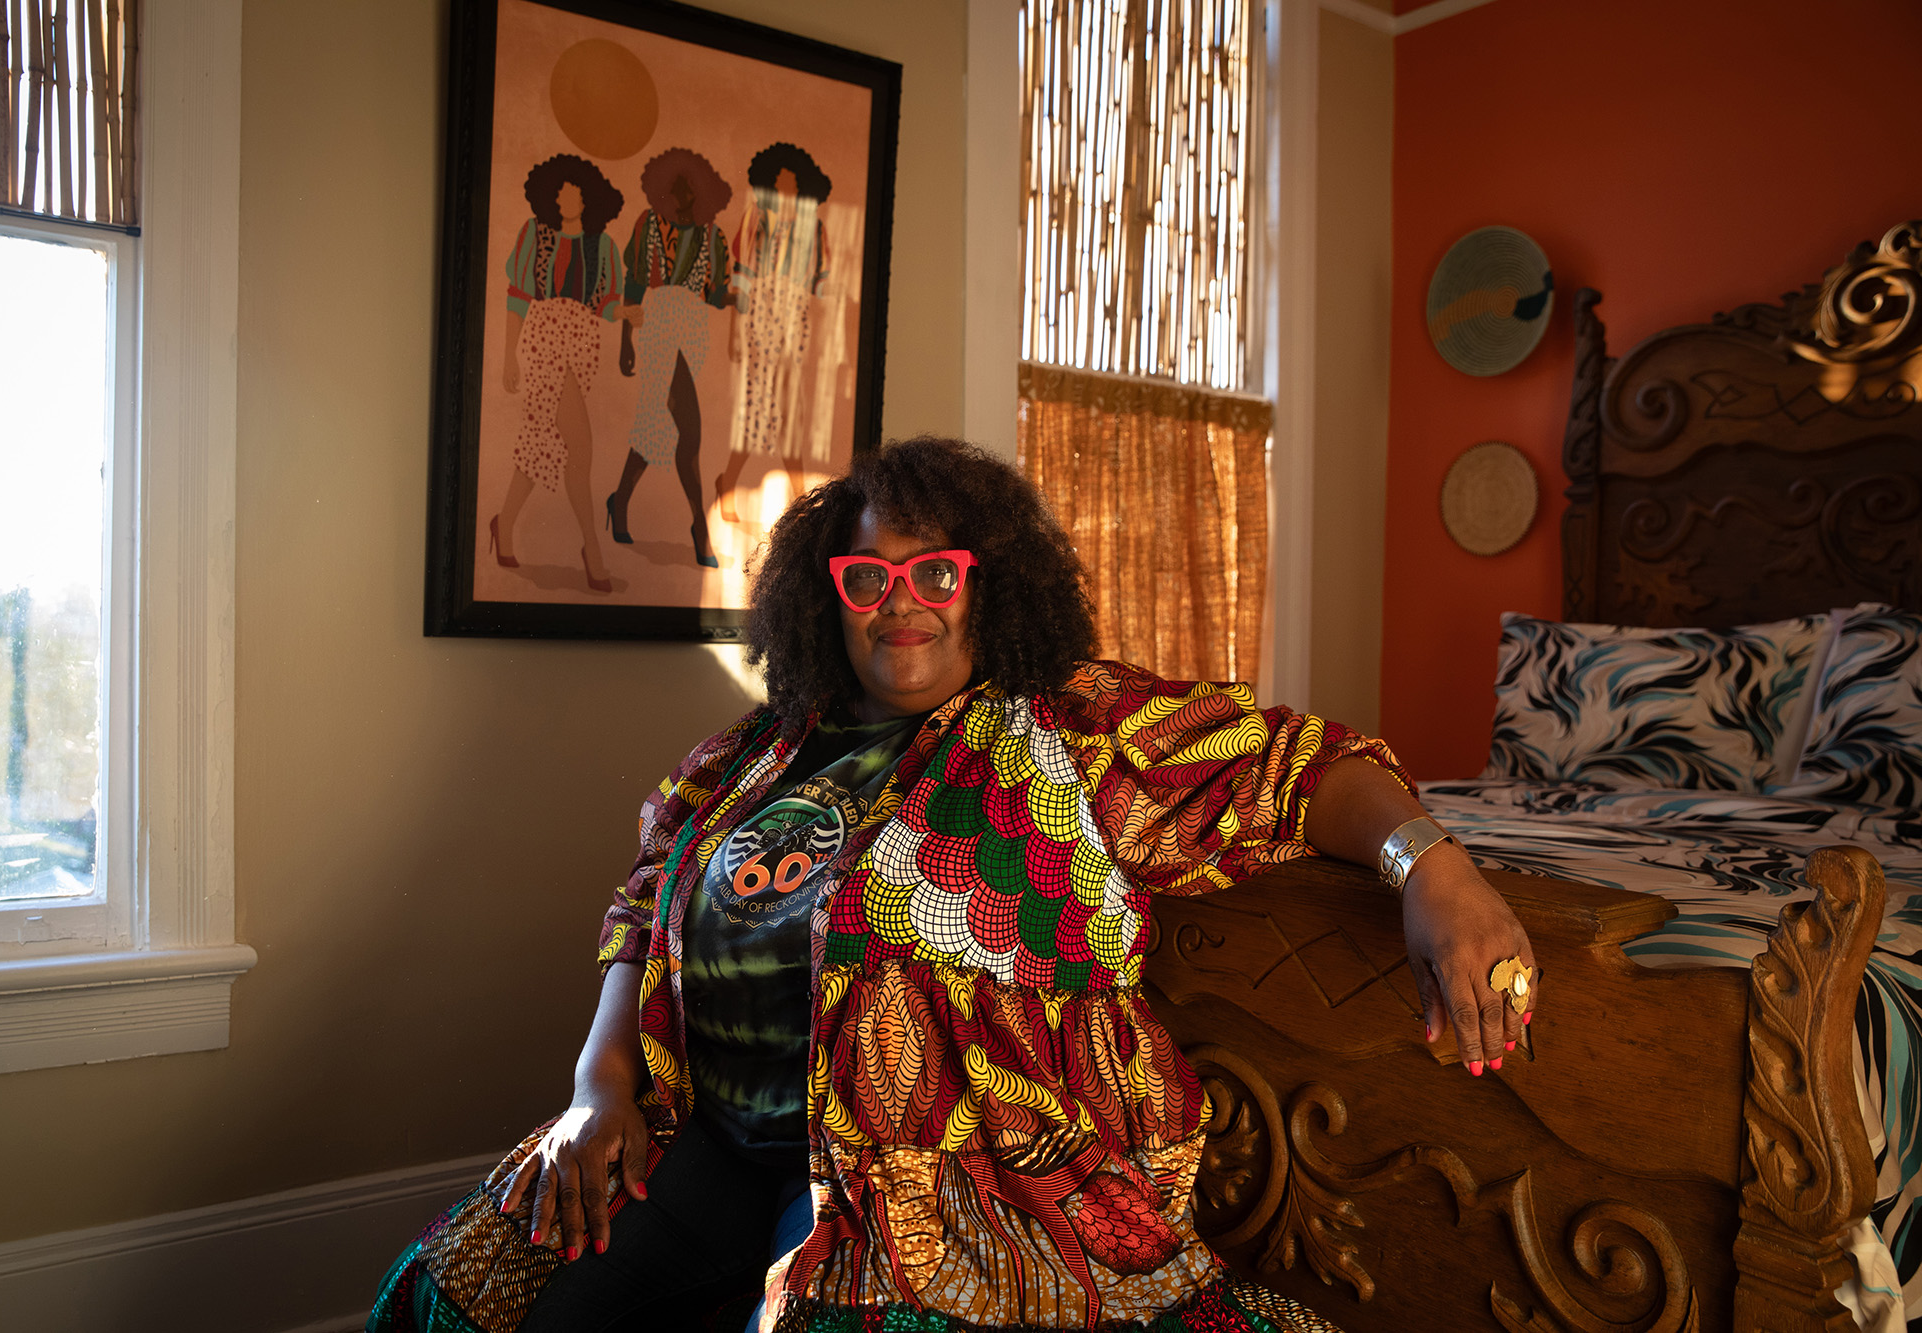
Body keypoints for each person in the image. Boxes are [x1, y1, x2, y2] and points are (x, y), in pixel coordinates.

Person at [368, 437, 1539, 1333]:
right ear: (829, 593)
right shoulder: (749, 753)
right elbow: (641, 923)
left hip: (951, 1181)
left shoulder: (1078, 726)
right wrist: (595, 1087)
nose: (902, 603)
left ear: (989, 585)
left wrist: (1428, 867)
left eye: (935, 571)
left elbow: (1301, 769)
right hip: (710, 1136)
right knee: (461, 1297)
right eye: (867, 577)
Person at [494, 154, 627, 594]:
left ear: (587, 198)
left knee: (543, 442)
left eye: (572, 191)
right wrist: (510, 355)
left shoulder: (603, 245)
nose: (564, 198)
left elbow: (604, 305)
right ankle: (591, 546)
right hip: (545, 341)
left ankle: (505, 522)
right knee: (579, 444)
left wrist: (624, 311)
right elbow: (518, 295)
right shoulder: (535, 234)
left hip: (583, 346)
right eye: (559, 192)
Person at [607, 147, 736, 570]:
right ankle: (700, 524)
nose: (681, 196)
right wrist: (626, 339)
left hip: (693, 332)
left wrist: (740, 298)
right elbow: (635, 282)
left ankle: (620, 498)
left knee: (655, 423)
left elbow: (715, 294)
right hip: (657, 328)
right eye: (674, 188)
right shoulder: (649, 226)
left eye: (688, 189)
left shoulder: (712, 236)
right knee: (689, 430)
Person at [720, 142, 834, 526]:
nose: (785, 189)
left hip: (793, 323)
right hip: (761, 320)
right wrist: (737, 332)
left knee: (789, 413)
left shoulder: (815, 229)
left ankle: (799, 498)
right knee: (756, 410)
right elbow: (742, 278)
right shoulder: (757, 219)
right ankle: (731, 483)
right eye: (779, 181)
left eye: (792, 183)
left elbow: (821, 289)